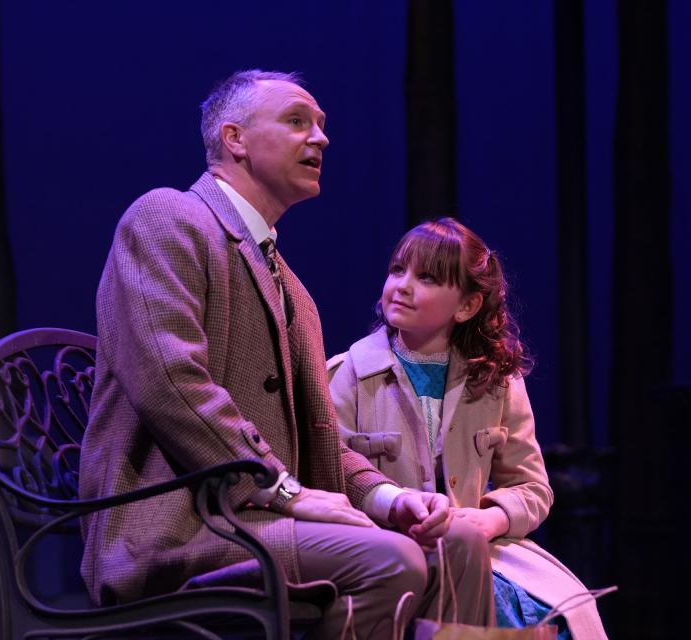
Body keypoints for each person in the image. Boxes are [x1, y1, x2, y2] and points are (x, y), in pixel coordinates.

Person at [78, 70, 493, 640]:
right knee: (390, 562)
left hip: (255, 517)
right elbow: (172, 384)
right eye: (298, 121)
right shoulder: (168, 218)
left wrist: (389, 497)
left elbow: (321, 435)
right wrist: (288, 492)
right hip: (182, 528)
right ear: (235, 139)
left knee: (459, 543)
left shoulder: (290, 286)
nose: (320, 138)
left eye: (322, 126)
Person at [328, 218, 609, 639]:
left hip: (482, 552)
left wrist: (491, 520)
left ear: (465, 306)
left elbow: (532, 488)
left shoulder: (495, 382)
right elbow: (330, 474)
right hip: (387, 552)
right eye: (397, 270)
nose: (402, 286)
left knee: (559, 620)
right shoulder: (347, 376)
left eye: (426, 277)